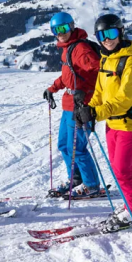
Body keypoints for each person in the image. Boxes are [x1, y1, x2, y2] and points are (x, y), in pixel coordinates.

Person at [75, 14, 132, 232]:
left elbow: (125, 99)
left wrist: (95, 113)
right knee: (118, 169)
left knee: (123, 170)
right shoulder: (105, 59)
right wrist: (87, 108)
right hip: (113, 124)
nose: (107, 39)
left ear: (120, 32)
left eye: (111, 33)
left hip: (131, 125)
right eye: (102, 35)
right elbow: (100, 92)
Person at [42, 12, 101, 198]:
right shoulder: (68, 48)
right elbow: (68, 76)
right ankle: (75, 180)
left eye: (64, 28)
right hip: (69, 106)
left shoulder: (81, 49)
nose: (60, 33)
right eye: (56, 30)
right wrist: (53, 88)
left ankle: (91, 186)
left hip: (82, 107)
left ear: (71, 26)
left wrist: (90, 94)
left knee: (78, 148)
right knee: (64, 146)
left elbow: (102, 69)